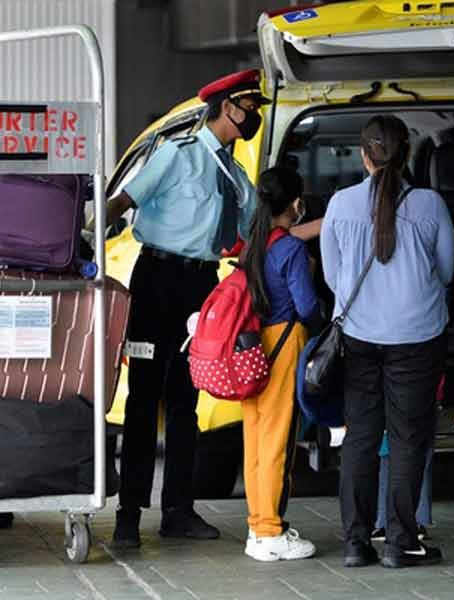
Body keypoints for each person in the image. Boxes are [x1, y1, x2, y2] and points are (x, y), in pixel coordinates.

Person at [105, 70, 267, 547]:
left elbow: (252, 226)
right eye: (247, 107)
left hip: (200, 284)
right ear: (224, 107)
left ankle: (178, 510)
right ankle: (129, 515)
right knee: (142, 399)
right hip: (157, 280)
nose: (252, 116)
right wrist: (86, 242)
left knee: (186, 401)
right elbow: (123, 201)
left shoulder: (234, 174)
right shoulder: (175, 155)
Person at [321, 115, 454, 569]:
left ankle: (355, 543)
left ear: (364, 157)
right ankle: (401, 542)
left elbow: (332, 276)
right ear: (408, 155)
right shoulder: (430, 204)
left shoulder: (340, 204)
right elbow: (445, 272)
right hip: (417, 337)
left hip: (358, 335)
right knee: (408, 437)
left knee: (360, 436)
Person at [240, 167, 322, 562]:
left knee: (256, 440)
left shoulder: (254, 244)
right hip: (284, 344)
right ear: (294, 203)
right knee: (277, 442)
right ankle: (270, 531)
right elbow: (306, 306)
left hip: (252, 346)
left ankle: (259, 525)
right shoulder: (289, 248)